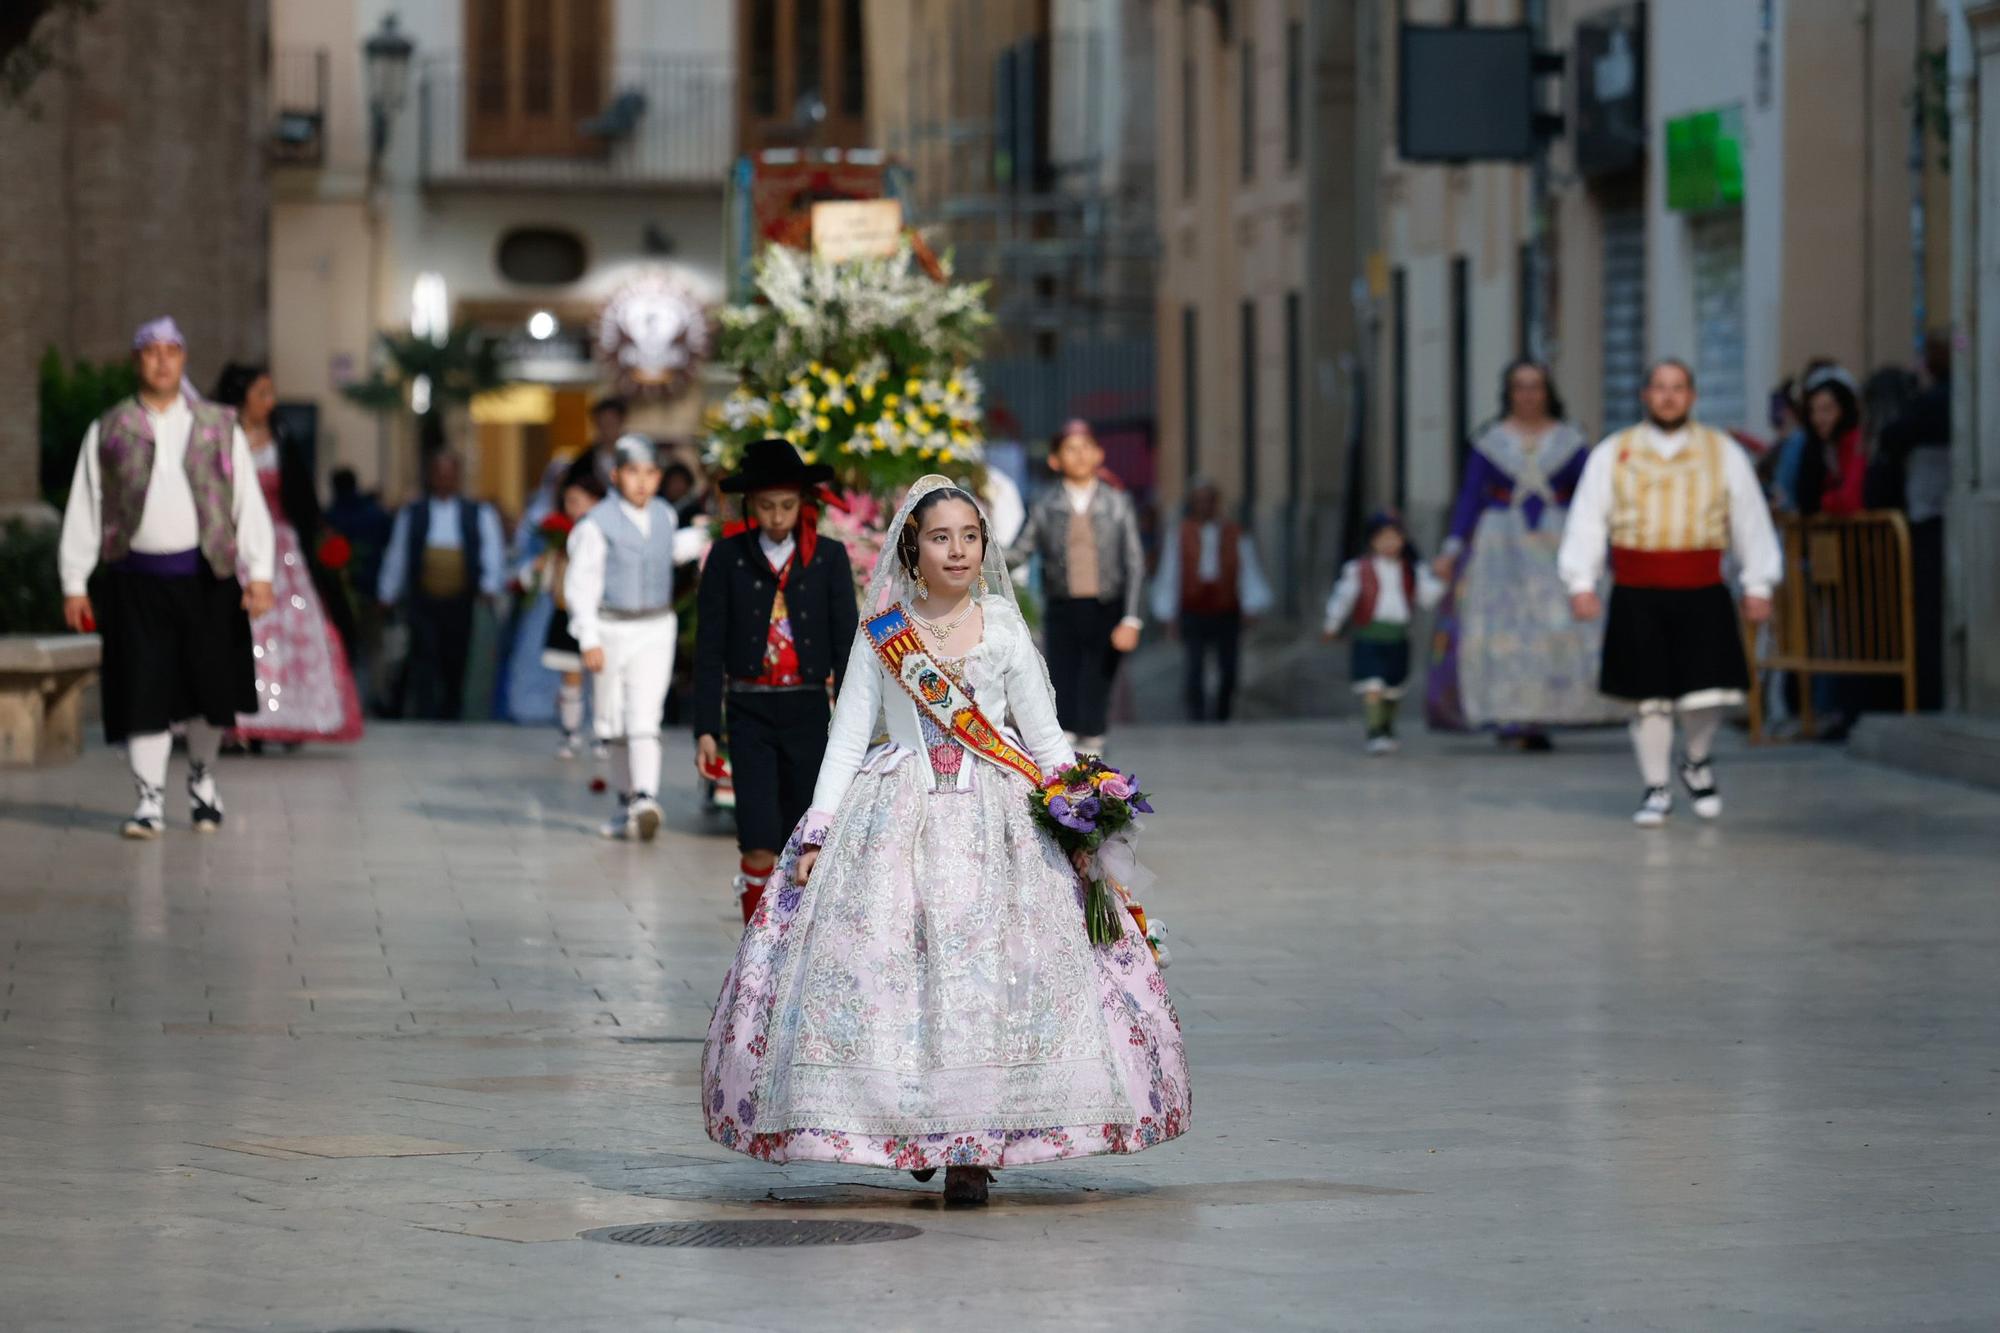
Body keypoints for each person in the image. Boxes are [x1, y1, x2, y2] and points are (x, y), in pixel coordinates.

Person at [700, 475, 1188, 1206]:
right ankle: (913, 1125)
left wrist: (1082, 819)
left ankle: (971, 1148)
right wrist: (820, 830)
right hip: (894, 817)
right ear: (911, 547)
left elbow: (1046, 740)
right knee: (898, 977)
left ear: (984, 546)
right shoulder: (883, 633)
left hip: (1002, 825)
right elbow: (844, 740)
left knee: (992, 982)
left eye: (969, 536)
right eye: (939, 537)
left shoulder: (1003, 626)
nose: (956, 550)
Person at [57, 316, 275, 837]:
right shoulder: (109, 428)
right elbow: (87, 505)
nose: (161, 361)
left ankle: (201, 778)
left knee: (208, 692)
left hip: (207, 579)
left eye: (171, 351)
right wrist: (74, 581)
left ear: (183, 359)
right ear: (137, 361)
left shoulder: (219, 426)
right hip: (136, 581)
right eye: (151, 352)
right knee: (144, 692)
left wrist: (260, 573)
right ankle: (148, 799)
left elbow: (247, 501)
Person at [1557, 359, 1782, 827]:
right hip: (1638, 589)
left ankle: (1696, 760)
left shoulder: (1721, 452)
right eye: (1659, 388)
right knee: (1648, 697)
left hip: (1700, 587)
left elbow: (1749, 519)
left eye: (1678, 388)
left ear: (1692, 396)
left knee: (1708, 693)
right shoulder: (1615, 452)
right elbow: (1588, 517)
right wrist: (1582, 581)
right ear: (1645, 395)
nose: (1668, 396)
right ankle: (1656, 786)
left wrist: (1757, 581)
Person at [693, 439, 856, 921]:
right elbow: (709, 647)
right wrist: (705, 726)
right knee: (758, 833)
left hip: (808, 708)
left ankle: (796, 934)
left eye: (787, 505)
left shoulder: (827, 557)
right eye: (767, 506)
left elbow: (847, 645)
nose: (778, 516)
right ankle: (756, 935)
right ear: (750, 505)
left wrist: (852, 721)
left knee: (804, 829)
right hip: (748, 710)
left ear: (803, 504)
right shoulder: (727, 557)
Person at [1429, 360, 1622, 747]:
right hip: (1502, 545)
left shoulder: (1569, 440)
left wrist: (1605, 543)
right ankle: (1512, 714)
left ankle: (1558, 707)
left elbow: (1591, 494)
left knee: (1557, 623)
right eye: (1520, 386)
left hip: (1556, 541)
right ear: (1509, 393)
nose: (1529, 395)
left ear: (1548, 391)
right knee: (1506, 630)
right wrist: (1452, 548)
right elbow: (1470, 498)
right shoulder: (1491, 442)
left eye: (1536, 386)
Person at [208, 362, 363, 748]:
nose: (269, 401)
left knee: (290, 628)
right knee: (239, 631)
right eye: (261, 393)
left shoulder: (281, 438)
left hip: (282, 550)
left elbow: (302, 500)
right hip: (235, 547)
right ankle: (236, 720)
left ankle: (290, 716)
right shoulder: (220, 438)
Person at [566, 435, 704, 841]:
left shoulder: (663, 514)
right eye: (632, 473)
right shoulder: (596, 525)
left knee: (645, 715)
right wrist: (588, 636)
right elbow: (582, 583)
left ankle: (645, 796)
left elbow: (668, 551)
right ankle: (626, 801)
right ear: (616, 475)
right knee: (613, 718)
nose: (641, 482)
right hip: (611, 628)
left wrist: (707, 535)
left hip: (655, 626)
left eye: (649, 474)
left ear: (658, 477)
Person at [1009, 419, 1145, 752]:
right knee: (1064, 673)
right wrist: (978, 561)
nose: (1080, 456)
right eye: (1070, 449)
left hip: (1107, 604)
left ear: (1099, 454)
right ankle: (1066, 738)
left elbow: (1134, 562)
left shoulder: (1117, 502)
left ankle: (1094, 736)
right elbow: (1020, 550)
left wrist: (1132, 618)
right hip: (1063, 604)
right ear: (1055, 460)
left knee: (1100, 675)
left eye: (1086, 448)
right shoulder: (1045, 504)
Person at [376, 450, 506, 721]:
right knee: (423, 654)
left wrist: (489, 585)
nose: (444, 480)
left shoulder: (478, 513)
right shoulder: (413, 513)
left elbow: (492, 552)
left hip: (461, 598)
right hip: (424, 597)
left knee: (456, 656)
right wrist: (387, 591)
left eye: (450, 475)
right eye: (439, 474)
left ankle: (452, 709)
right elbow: (398, 554)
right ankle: (425, 711)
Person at [1149, 478, 1274, 722]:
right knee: (1194, 664)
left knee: (1229, 666)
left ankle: (1222, 713)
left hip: (1225, 607)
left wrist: (1252, 604)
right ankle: (1196, 715)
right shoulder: (1181, 534)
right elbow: (1171, 573)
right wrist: (1167, 612)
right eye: (1199, 501)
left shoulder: (1234, 533)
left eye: (1209, 501)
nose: (1204, 506)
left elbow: (1246, 569)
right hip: (1194, 607)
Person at [1323, 512, 1446, 754]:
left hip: (1398, 636)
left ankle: (1387, 727)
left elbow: (1428, 598)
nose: (1390, 544)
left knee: (1393, 687)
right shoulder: (1359, 569)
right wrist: (1332, 624)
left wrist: (1442, 580)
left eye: (1394, 538)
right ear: (1373, 541)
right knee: (1372, 684)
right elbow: (1344, 598)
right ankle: (1375, 730)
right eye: (1384, 538)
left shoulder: (1411, 571)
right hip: (1370, 635)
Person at [1878, 333, 1951, 710]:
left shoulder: (1931, 404)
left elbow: (1893, 436)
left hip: (1932, 518)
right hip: (1935, 516)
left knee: (1929, 612)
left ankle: (1930, 694)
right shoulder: (1937, 403)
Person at [535, 467, 606, 758]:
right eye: (568, 501)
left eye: (577, 500)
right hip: (568, 611)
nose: (571, 508)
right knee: (571, 676)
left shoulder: (604, 532)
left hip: (601, 611)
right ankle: (571, 732)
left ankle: (604, 734)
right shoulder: (563, 535)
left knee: (602, 678)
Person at [1794, 365, 1866, 518]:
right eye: (1813, 410)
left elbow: (1850, 499)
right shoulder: (1820, 446)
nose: (1818, 419)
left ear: (1843, 409)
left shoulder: (1856, 441)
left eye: (1827, 409)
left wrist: (1823, 502)